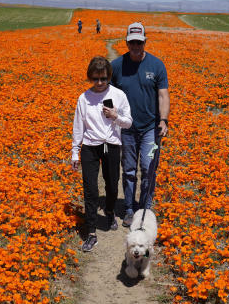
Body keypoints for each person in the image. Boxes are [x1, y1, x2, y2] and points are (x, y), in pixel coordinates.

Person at [111, 22, 169, 227]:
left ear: (145, 42)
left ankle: (144, 209)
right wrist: (112, 117)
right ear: (127, 42)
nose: (135, 46)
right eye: (132, 42)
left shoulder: (156, 65)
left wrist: (163, 120)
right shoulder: (117, 66)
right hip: (126, 128)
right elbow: (108, 95)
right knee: (128, 170)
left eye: (139, 42)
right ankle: (128, 209)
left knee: (148, 167)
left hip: (150, 129)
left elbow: (163, 95)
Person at [71, 56, 132, 252]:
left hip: (110, 145)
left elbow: (128, 122)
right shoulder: (84, 98)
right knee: (90, 189)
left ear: (109, 77)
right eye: (95, 79)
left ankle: (109, 209)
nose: (99, 83)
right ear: (90, 77)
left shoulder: (119, 95)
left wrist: (116, 117)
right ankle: (91, 232)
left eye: (103, 79)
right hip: (90, 145)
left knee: (112, 184)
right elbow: (78, 126)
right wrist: (75, 152)